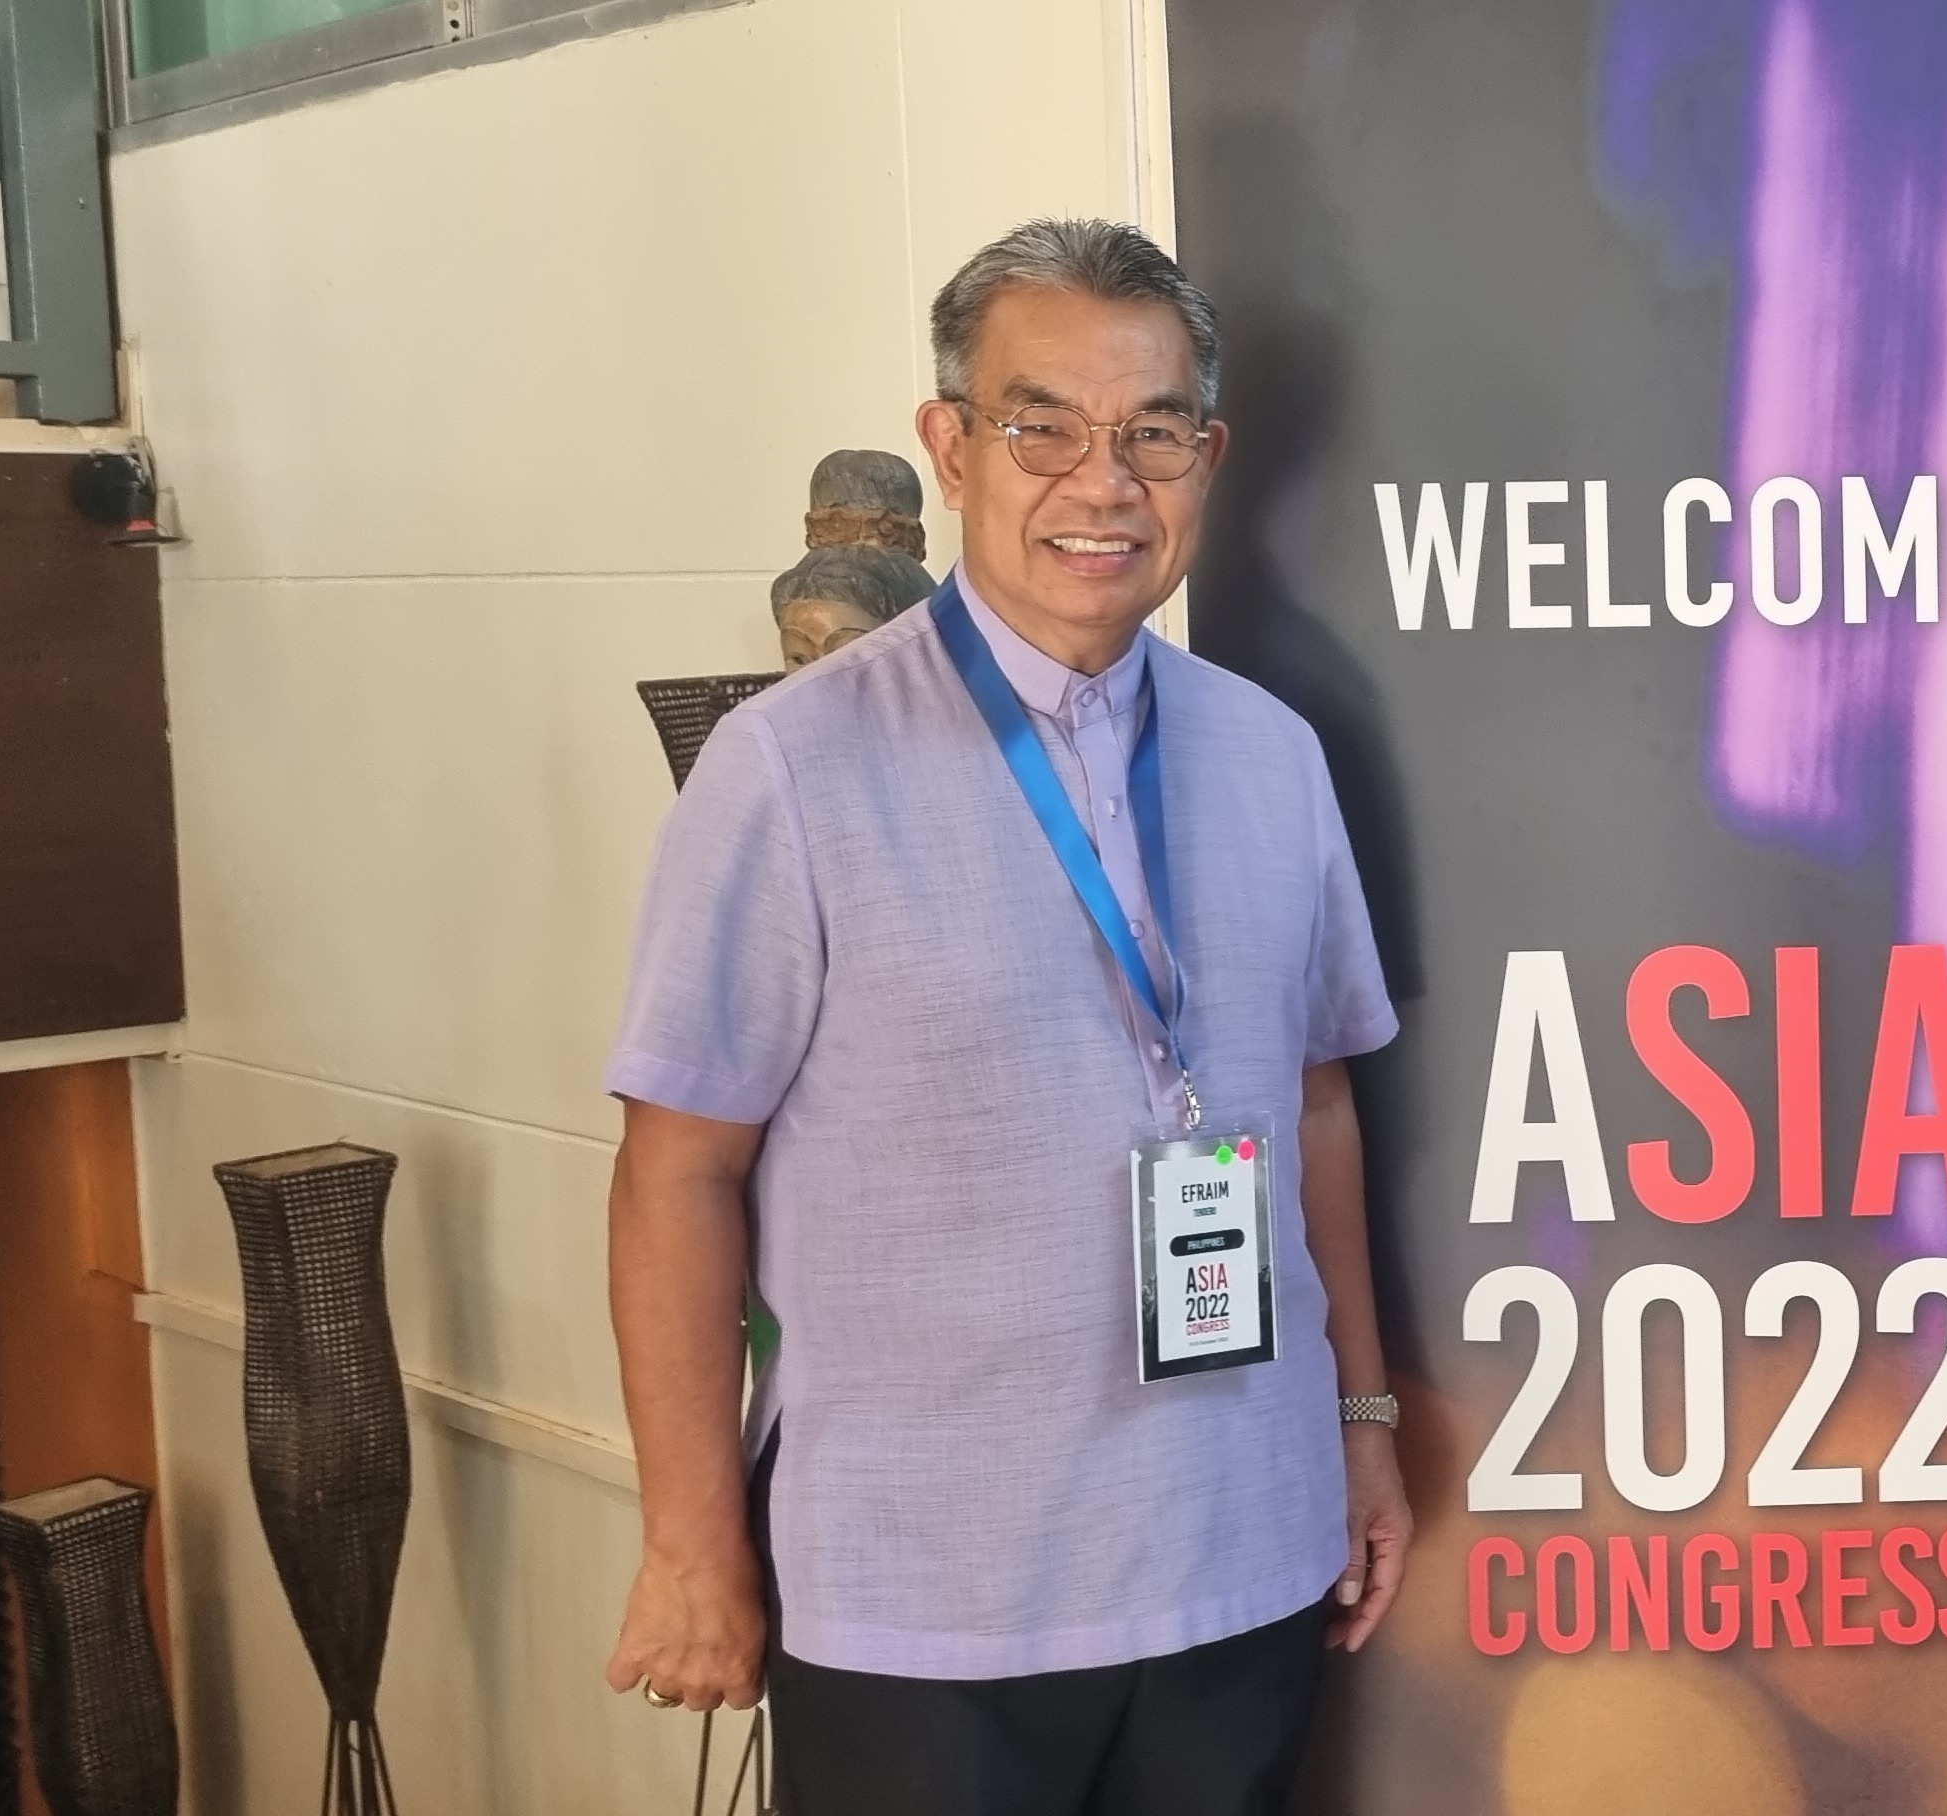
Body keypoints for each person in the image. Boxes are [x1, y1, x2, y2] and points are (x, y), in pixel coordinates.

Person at [596, 218, 1408, 1816]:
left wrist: (1363, 1422)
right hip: (927, 1606)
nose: (1104, 484)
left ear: (1206, 459)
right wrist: (691, 1545)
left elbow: (1315, 1104)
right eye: (1044, 427)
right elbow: (675, 1170)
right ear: (953, 448)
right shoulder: (791, 769)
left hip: (1244, 1561)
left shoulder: (1273, 755)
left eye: (1153, 432)